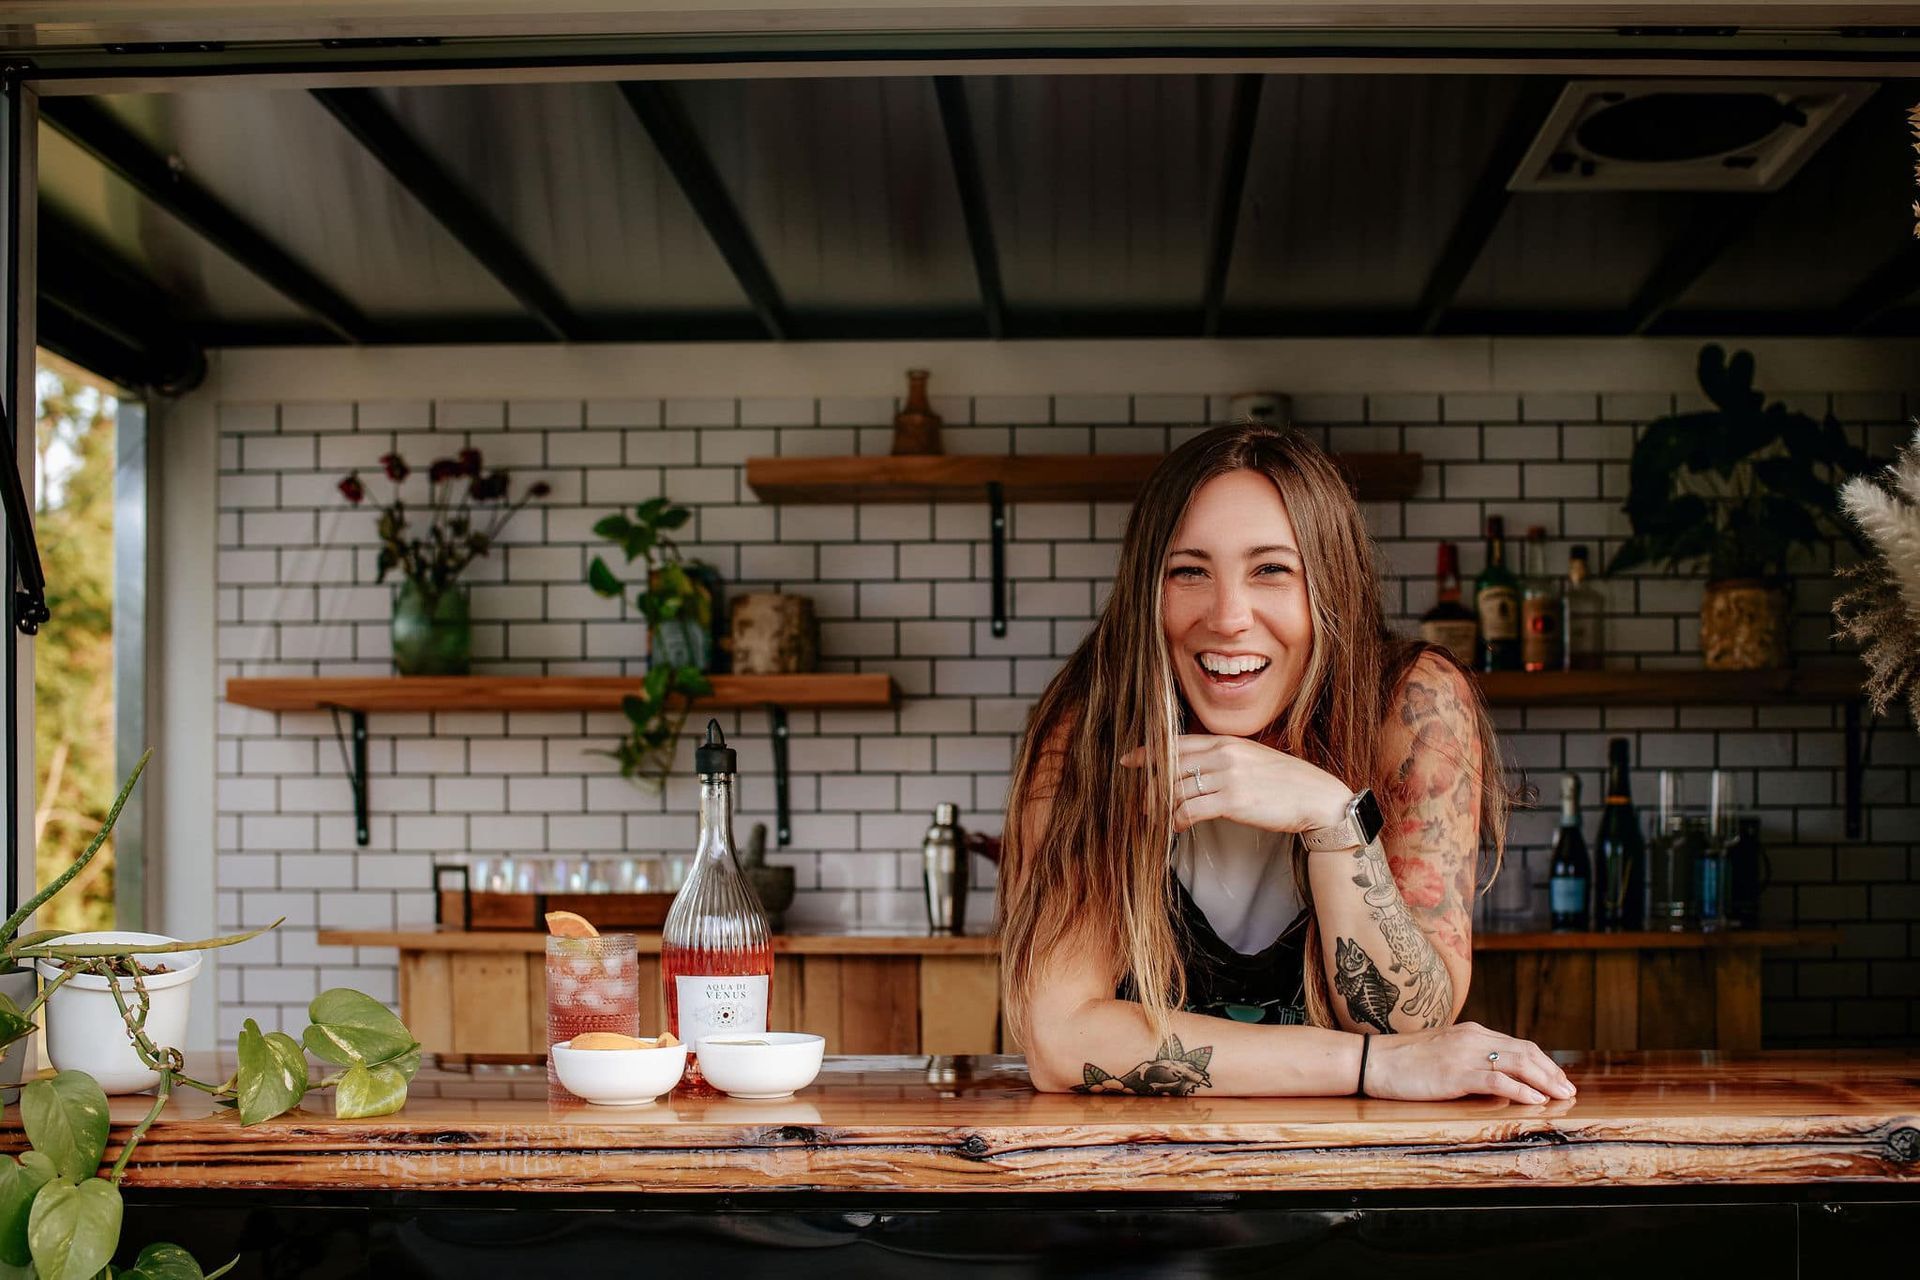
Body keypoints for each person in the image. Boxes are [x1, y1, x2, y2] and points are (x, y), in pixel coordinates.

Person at [998, 423, 1575, 1103]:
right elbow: (1060, 1041)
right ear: (1146, 592)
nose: (1229, 616)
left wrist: (1333, 818)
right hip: (1130, 1179)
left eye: (1272, 570)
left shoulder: (1409, 705)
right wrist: (1372, 1069)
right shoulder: (1092, 724)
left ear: (1330, 586)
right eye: (1189, 572)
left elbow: (1408, 1019)